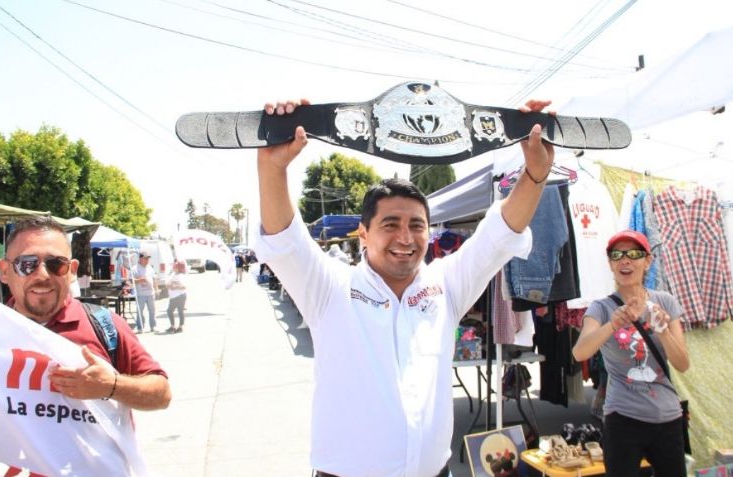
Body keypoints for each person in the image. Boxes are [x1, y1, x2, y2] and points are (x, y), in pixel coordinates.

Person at [254, 98, 554, 477]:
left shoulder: (446, 285)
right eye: (390, 224)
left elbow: (500, 233)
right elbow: (286, 241)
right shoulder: (330, 288)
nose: (405, 237)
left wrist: (536, 174)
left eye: (416, 225)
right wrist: (272, 167)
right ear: (363, 234)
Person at [0, 217, 171, 474]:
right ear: (4, 271)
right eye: (27, 264)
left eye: (56, 264)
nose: (42, 275)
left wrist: (111, 386)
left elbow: (161, 393)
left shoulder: (104, 324)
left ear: (72, 269)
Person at [572, 230, 690, 477]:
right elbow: (580, 352)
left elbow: (682, 364)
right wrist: (612, 324)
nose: (625, 260)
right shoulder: (601, 308)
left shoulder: (665, 302)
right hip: (623, 417)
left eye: (634, 254)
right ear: (611, 263)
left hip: (668, 417)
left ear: (648, 261)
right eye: (617, 254)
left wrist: (664, 331)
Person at [133, 251, 158, 333]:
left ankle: (153, 326)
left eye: (148, 258)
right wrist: (140, 280)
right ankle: (140, 327)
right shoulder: (134, 268)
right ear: (140, 258)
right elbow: (130, 281)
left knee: (152, 310)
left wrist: (156, 289)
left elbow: (154, 279)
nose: (147, 260)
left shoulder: (150, 267)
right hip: (140, 294)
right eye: (145, 258)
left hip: (151, 293)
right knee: (140, 311)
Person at [166, 260, 187, 333]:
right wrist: (168, 285)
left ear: (179, 268)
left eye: (175, 266)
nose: (173, 267)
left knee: (173, 311)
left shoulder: (182, 276)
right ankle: (174, 326)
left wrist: (174, 286)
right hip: (173, 296)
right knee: (172, 311)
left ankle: (178, 326)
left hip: (179, 296)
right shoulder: (173, 274)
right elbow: (168, 282)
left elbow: (184, 286)